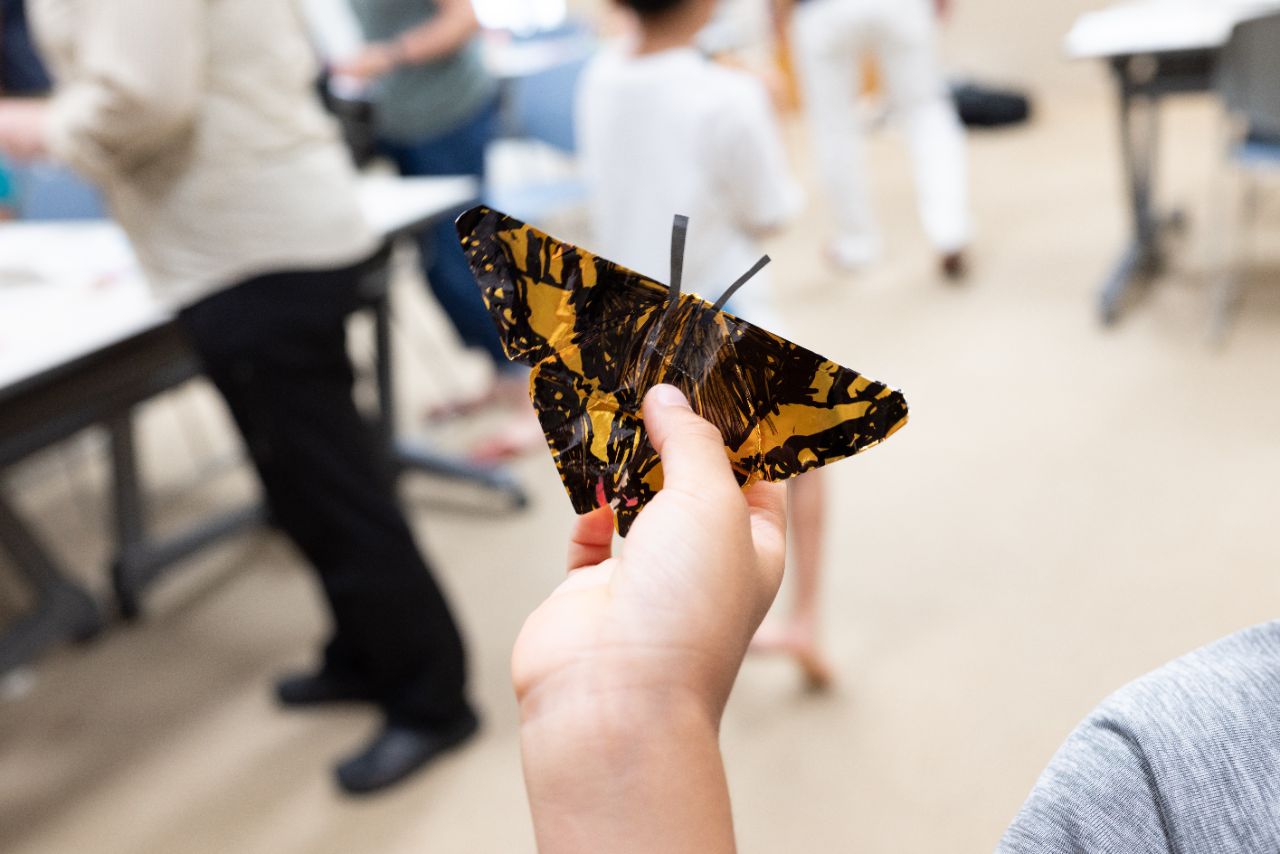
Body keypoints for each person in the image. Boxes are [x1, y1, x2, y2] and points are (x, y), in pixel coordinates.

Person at [0, 0, 476, 794]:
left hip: (253, 249)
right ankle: (364, 653)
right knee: (301, 482)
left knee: (333, 484)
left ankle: (432, 698)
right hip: (248, 239)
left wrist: (28, 126)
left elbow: (142, 102)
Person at [516, 387, 1280, 852]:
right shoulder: (1163, 771)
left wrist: (623, 706)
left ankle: (807, 617)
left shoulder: (1155, 771)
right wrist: (620, 699)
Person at [576, 0, 832, 688]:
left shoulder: (599, 74)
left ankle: (674, 632)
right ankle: (801, 617)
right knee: (798, 461)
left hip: (629, 321)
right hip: (724, 313)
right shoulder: (729, 95)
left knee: (667, 480)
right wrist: (770, 106)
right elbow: (771, 210)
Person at [335, 1, 535, 432]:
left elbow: (463, 21)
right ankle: (503, 377)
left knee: (464, 258)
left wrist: (387, 56)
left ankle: (534, 392)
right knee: (435, 268)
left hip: (448, 114)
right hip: (399, 121)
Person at [778, 0, 971, 278]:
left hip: (822, 11)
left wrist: (777, 12)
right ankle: (949, 230)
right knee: (926, 111)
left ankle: (857, 242)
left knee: (832, 127)